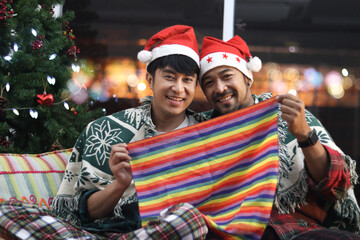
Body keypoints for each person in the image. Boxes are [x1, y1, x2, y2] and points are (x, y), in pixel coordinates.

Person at [0, 25, 208, 240]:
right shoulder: (107, 130)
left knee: (189, 219)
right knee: (7, 212)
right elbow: (83, 213)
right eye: (170, 77)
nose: (178, 88)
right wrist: (120, 183)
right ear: (150, 80)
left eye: (187, 80)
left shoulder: (206, 134)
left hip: (158, 233)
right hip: (97, 234)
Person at [197, 35, 360, 239]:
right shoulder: (200, 131)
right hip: (227, 230)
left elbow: (336, 186)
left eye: (227, 76)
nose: (220, 88)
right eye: (209, 82)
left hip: (294, 229)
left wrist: (304, 135)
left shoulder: (284, 114)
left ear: (248, 77)